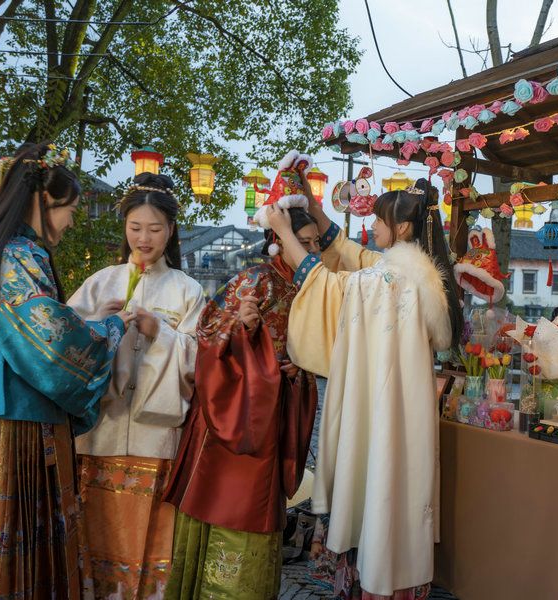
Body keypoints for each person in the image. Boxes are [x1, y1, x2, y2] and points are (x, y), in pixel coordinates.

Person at [0, 142, 133, 598]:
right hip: (12, 428)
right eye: (70, 209)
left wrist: (93, 322)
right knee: (13, 539)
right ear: (41, 201)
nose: (73, 220)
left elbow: (34, 326)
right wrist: (112, 328)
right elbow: (52, 342)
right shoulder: (13, 258)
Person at [268, 177, 463, 599]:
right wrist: (317, 209)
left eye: (379, 220)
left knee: (379, 478)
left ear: (404, 229)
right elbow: (356, 256)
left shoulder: (391, 280)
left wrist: (285, 233)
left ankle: (374, 579)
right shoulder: (414, 274)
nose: (372, 226)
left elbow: (329, 286)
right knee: (396, 483)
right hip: (403, 406)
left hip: (381, 403)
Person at [162, 206, 320, 599]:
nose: (313, 250)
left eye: (317, 242)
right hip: (236, 415)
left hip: (275, 415)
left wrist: (297, 372)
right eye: (304, 242)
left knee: (260, 510)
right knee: (230, 505)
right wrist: (244, 331)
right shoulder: (254, 280)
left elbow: (312, 357)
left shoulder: (313, 289)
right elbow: (209, 334)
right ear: (277, 241)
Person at [67, 173, 205, 599]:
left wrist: (160, 333)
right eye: (135, 227)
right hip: (101, 431)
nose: (144, 238)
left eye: (155, 229)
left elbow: (200, 360)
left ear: (171, 230)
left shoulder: (188, 290)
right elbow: (60, 345)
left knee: (152, 539)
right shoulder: (99, 283)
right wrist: (96, 326)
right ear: (124, 227)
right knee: (95, 533)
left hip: (156, 437)